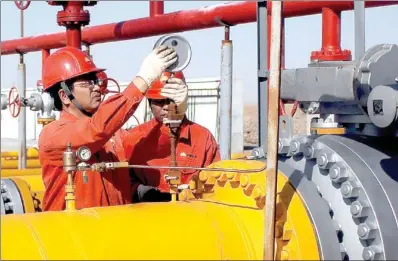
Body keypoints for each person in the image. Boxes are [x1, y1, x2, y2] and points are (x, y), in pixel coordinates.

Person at [38, 45, 183, 211]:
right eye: (87, 83)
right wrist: (143, 80)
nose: (97, 87)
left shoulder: (114, 136)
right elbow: (95, 130)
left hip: (112, 232)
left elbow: (152, 142)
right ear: (64, 96)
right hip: (70, 234)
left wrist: (176, 113)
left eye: (96, 81)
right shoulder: (53, 135)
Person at [123, 71, 221, 202]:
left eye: (170, 101)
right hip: (146, 217)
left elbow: (216, 182)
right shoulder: (136, 137)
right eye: (159, 102)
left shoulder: (202, 138)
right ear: (150, 103)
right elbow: (122, 180)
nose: (166, 107)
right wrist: (142, 192)